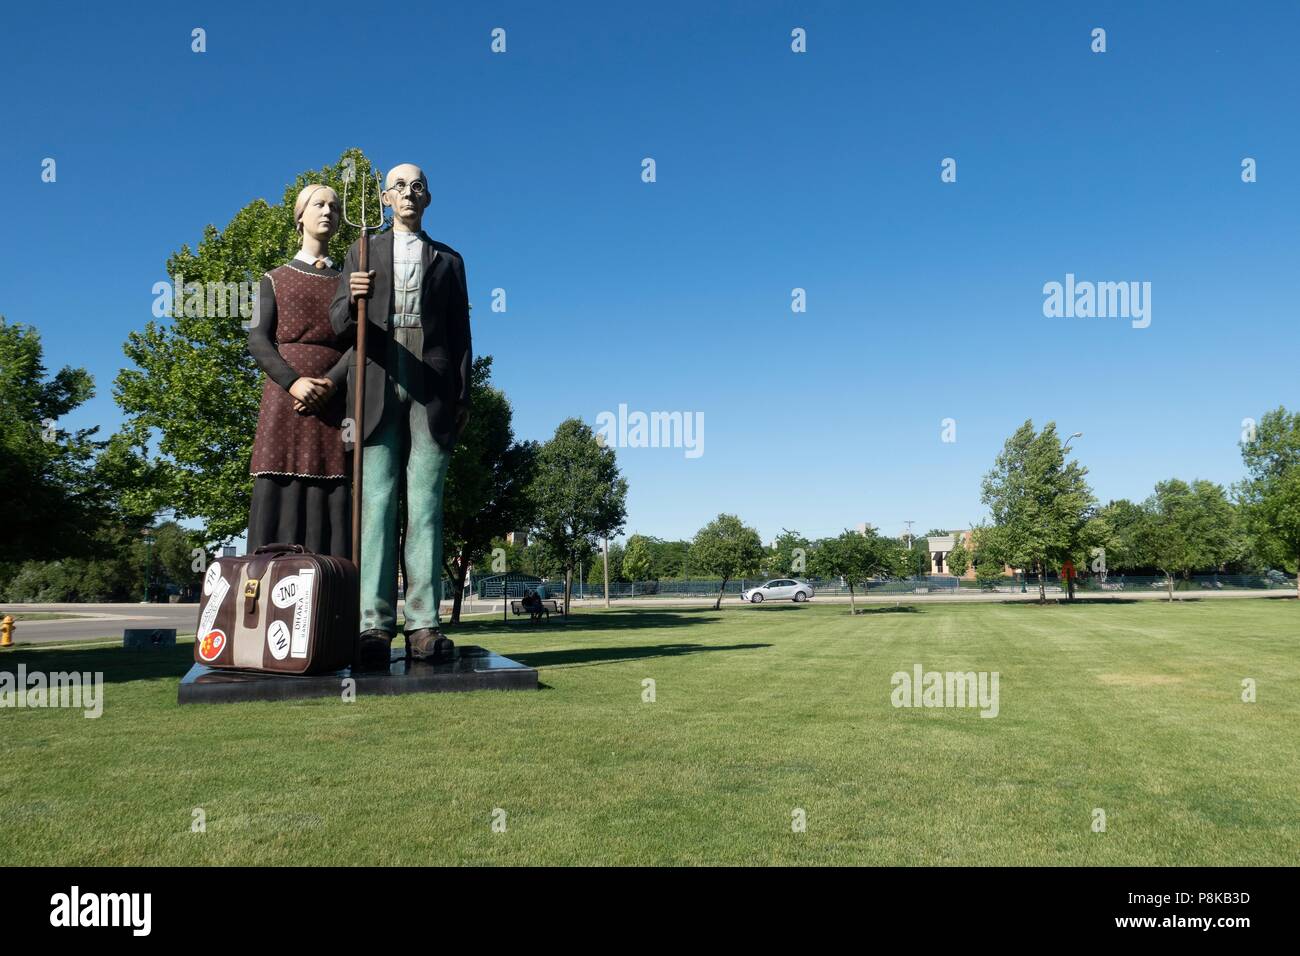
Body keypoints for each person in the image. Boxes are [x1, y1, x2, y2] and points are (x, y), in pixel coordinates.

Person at [331, 163, 472, 668]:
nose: (409, 193)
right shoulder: (361, 251)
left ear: (428, 198)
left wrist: (462, 398)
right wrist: (353, 297)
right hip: (377, 379)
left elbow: (460, 336)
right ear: (385, 198)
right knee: (377, 505)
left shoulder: (450, 260)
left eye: (418, 186)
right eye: (399, 187)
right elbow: (338, 323)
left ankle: (423, 625)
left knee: (426, 508)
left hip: (433, 387)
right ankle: (373, 625)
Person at [247, 184, 351, 556]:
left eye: (334, 207)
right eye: (319, 205)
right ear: (300, 216)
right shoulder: (271, 279)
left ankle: (329, 599)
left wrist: (332, 383)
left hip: (335, 406)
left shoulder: (349, 284)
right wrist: (293, 383)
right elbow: (257, 339)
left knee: (334, 496)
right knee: (277, 485)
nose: (327, 212)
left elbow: (360, 343)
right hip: (283, 402)